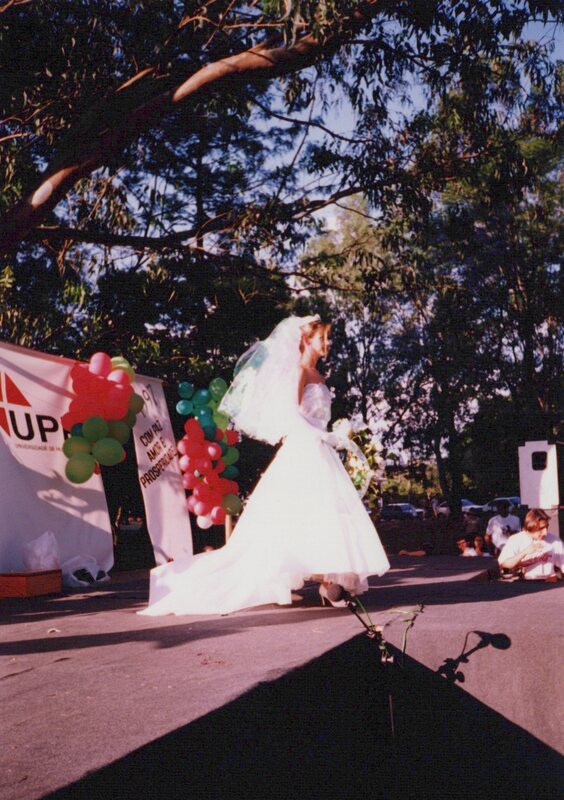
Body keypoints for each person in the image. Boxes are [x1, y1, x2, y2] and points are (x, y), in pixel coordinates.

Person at [139, 315, 390, 616]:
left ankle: (329, 580)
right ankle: (321, 581)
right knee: (298, 514)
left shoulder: (318, 375)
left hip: (320, 449)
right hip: (305, 447)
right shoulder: (299, 372)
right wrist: (321, 435)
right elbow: (290, 415)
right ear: (306, 340)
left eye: (328, 337)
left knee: (322, 513)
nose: (328, 342)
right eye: (323, 337)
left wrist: (333, 434)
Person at [498, 508, 563, 581]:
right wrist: (525, 552)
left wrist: (557, 576)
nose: (545, 532)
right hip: (524, 583)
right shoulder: (515, 540)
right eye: (541, 528)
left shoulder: (554, 540)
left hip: (549, 582)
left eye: (546, 527)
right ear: (531, 526)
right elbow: (504, 565)